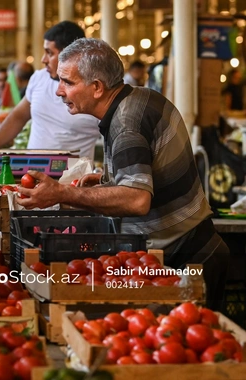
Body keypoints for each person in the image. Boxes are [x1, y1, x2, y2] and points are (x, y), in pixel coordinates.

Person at [17, 37, 229, 311]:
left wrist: (61, 193)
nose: (59, 91)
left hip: (187, 257)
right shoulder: (139, 98)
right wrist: (109, 179)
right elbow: (149, 167)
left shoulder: (126, 123)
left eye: (68, 82)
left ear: (96, 88)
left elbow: (137, 200)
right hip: (190, 246)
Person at [0, 21, 100, 184]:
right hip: (30, 180)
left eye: (49, 53)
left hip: (74, 187)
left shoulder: (93, 90)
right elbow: (17, 117)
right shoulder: (39, 79)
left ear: (70, 55)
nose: (43, 59)